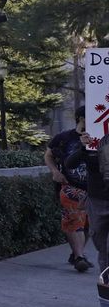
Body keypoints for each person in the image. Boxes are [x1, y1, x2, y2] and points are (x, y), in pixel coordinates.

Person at [45, 111, 93, 272]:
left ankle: (76, 254)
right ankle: (79, 257)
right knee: (74, 221)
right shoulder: (64, 138)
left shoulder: (100, 136)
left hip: (93, 189)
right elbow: (48, 155)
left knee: (88, 225)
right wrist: (55, 172)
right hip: (70, 185)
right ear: (81, 118)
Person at [66, 130, 108, 275]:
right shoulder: (92, 141)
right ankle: (106, 281)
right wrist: (83, 147)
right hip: (97, 200)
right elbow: (70, 163)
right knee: (102, 245)